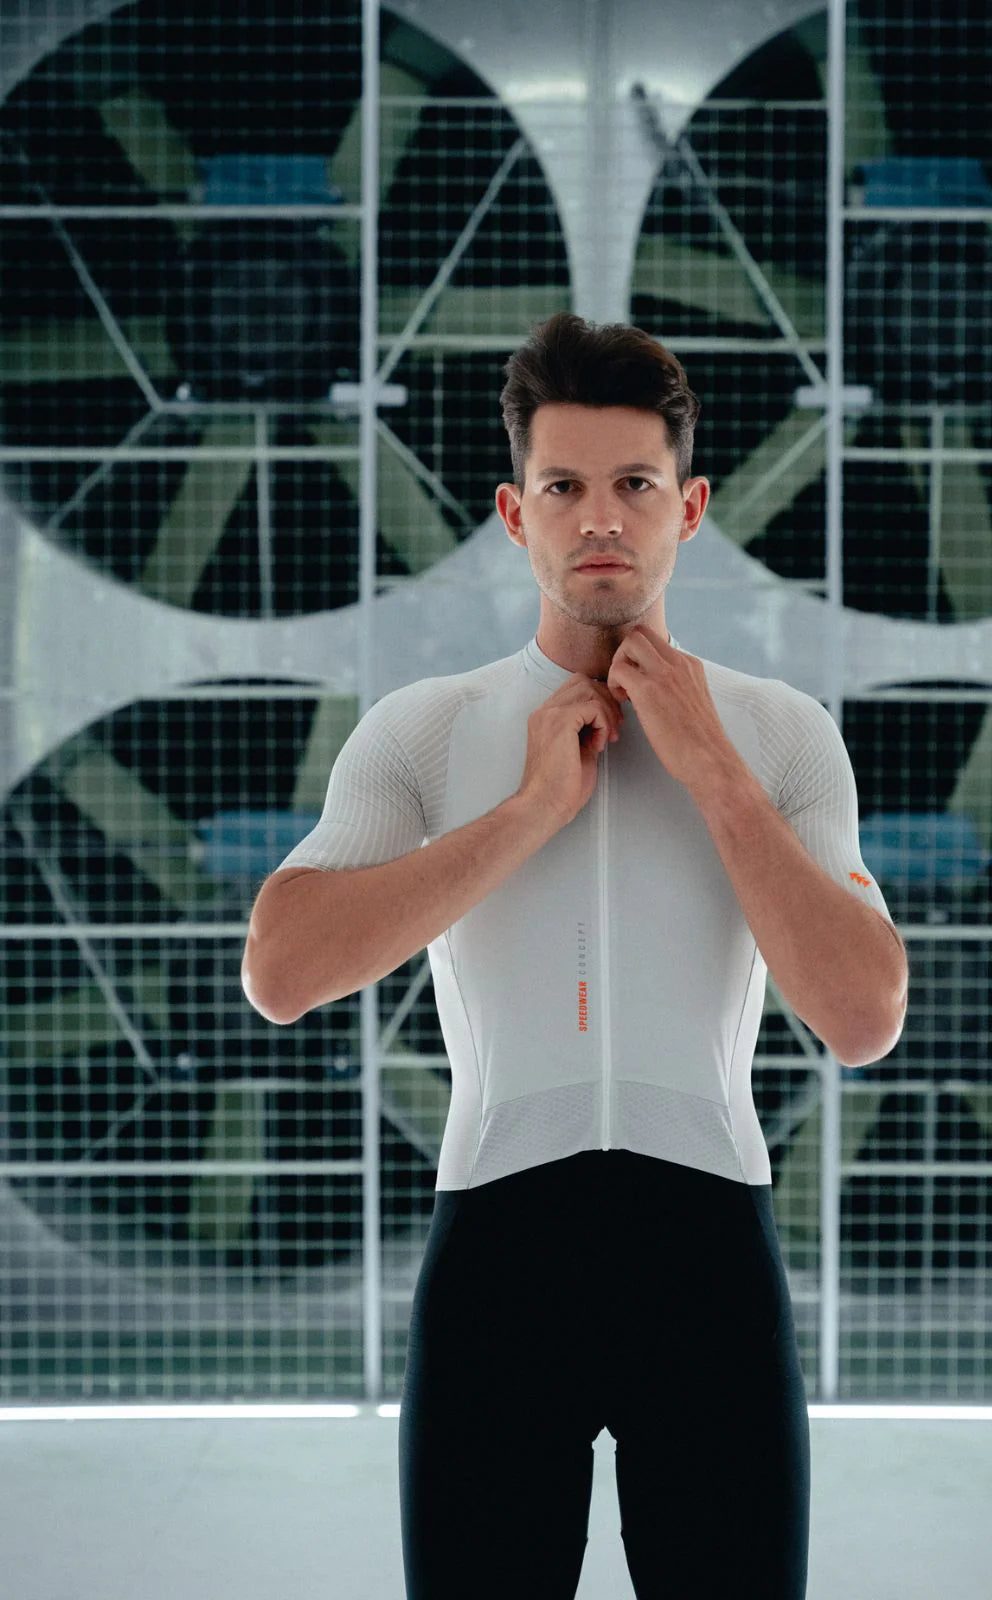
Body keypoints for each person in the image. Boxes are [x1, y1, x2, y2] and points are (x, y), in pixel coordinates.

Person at [242, 312, 908, 1598]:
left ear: (690, 506)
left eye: (633, 486)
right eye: (564, 487)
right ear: (514, 511)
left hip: (708, 1250)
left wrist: (708, 766)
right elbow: (283, 970)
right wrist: (529, 812)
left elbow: (863, 1011)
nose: (600, 518)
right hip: (500, 1248)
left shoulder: (778, 733)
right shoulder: (429, 730)